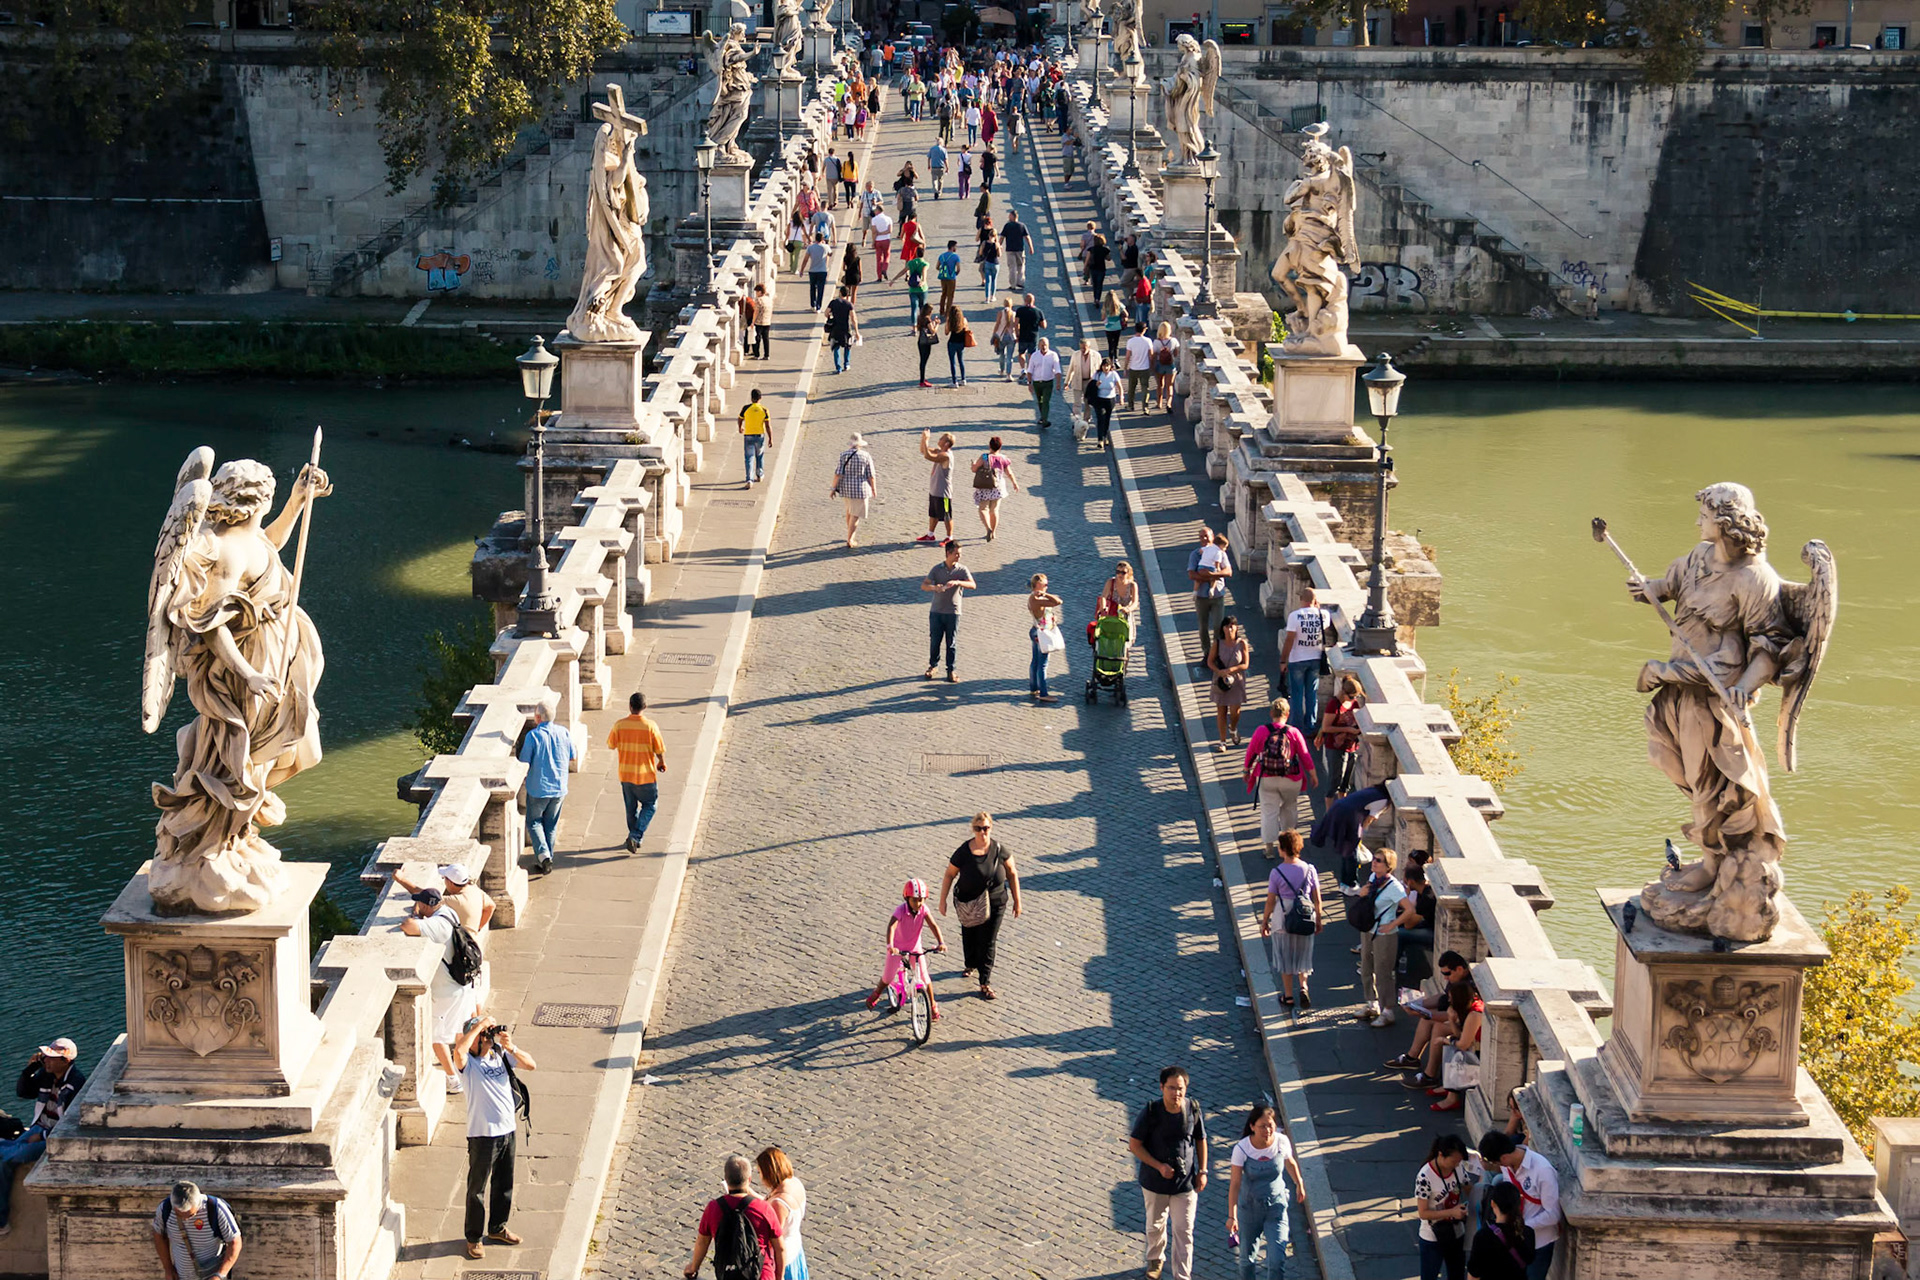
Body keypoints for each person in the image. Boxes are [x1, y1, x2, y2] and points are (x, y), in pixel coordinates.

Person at [452, 1013, 536, 1258]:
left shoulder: (499, 1055)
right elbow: (459, 1051)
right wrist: (478, 1026)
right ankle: (474, 1238)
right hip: (483, 1135)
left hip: (507, 1130)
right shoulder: (468, 1065)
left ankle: (498, 1228)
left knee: (504, 1183)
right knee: (477, 1189)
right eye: (484, 1035)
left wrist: (511, 1047)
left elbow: (531, 1065)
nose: (489, 1038)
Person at [400, 885, 481, 1090]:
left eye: (420, 903)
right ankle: (467, 1068)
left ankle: (453, 1080)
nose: (417, 905)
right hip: (462, 985)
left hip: (446, 992)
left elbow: (407, 926)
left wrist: (416, 916)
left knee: (436, 1037)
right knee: (460, 1030)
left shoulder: (436, 925)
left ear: (427, 906)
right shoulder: (448, 913)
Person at [1129, 1066, 1207, 1280]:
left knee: (1184, 1230)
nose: (1176, 1093)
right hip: (1155, 1183)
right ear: (1162, 1087)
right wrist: (1159, 1166)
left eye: (1180, 1088)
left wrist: (1203, 1170)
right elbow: (1135, 1145)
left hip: (1185, 1184)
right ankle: (1155, 1260)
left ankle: (1182, 1274)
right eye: (1171, 1088)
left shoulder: (1192, 1109)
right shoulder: (1151, 1112)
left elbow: (1201, 1140)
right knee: (1155, 1226)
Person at [0, 1037, 83, 1236]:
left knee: (8, 1157)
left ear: (65, 1061)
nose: (46, 1060)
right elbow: (23, 1092)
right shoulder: (47, 1075)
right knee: (8, 1154)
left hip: (54, 1139)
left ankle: (1, 1223)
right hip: (39, 1128)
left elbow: (73, 1124)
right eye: (45, 1056)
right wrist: (30, 1069)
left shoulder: (76, 1084)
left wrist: (43, 1135)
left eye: (51, 1057)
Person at [939, 812, 1022, 1000]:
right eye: (978, 829)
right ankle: (970, 963)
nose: (982, 832)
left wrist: (1017, 901)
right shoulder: (964, 851)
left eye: (986, 828)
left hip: (995, 902)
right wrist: (942, 900)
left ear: (991, 828)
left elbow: (1012, 873)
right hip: (969, 902)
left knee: (988, 940)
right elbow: (949, 874)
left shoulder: (999, 850)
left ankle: (985, 982)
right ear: (973, 829)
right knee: (970, 934)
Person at [1226, 1102, 1306, 1280]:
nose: (1267, 1130)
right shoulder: (1242, 1149)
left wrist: (1299, 1182)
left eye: (1270, 1125)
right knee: (1247, 1260)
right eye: (1262, 1126)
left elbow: (1290, 1162)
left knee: (1277, 1259)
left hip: (1276, 1207)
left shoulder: (1281, 1141)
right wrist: (1232, 1215)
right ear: (1252, 1126)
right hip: (1250, 1209)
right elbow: (1235, 1184)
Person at [684, 1155, 786, 1280]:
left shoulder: (713, 1207)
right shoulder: (763, 1208)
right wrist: (779, 1277)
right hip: (761, 1274)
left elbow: (703, 1242)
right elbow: (780, 1248)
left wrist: (693, 1268)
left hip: (729, 1274)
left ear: (726, 1180)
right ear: (749, 1179)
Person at [1242, 698, 1319, 860]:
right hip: (1290, 778)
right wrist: (1313, 775)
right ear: (1287, 714)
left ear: (1271, 713)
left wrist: (1246, 770)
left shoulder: (1261, 731)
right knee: (1289, 808)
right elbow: (1305, 756)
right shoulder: (1294, 732)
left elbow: (1251, 752)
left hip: (1267, 777)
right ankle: (1288, 845)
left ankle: (1269, 849)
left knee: (1269, 812)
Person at [1475, 1132, 1557, 1279]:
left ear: (1503, 1158)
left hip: (1538, 1242)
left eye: (1496, 1163)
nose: (1498, 1167)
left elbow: (1553, 1214)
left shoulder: (1542, 1170)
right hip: (1512, 1240)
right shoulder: (1507, 1166)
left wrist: (1522, 1226)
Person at [1259, 829, 1322, 1009]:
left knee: (1285, 956)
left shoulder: (1276, 872)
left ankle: (1288, 996)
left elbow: (1270, 901)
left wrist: (1265, 921)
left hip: (1283, 915)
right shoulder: (1310, 869)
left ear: (1282, 849)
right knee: (1303, 954)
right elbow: (1317, 899)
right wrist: (1318, 920)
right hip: (1305, 913)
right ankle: (1303, 986)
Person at [865, 878, 947, 1012]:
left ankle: (932, 1005)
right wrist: (890, 946)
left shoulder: (924, 910)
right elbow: (891, 927)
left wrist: (941, 942)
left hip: (915, 947)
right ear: (907, 898)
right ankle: (876, 994)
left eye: (921, 900)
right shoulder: (900, 910)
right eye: (914, 900)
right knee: (888, 977)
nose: (918, 904)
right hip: (897, 948)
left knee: (925, 978)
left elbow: (933, 925)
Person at [605, 690, 668, 852]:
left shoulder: (619, 725)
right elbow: (659, 749)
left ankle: (634, 837)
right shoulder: (651, 726)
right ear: (644, 707)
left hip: (626, 774)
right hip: (645, 775)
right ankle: (635, 836)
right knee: (650, 805)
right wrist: (661, 762)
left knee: (630, 808)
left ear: (630, 706)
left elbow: (611, 745)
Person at [1353, 847, 1409, 1026]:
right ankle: (1372, 1003)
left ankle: (1388, 1011)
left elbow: (1410, 909)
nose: (1374, 863)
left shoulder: (1394, 887)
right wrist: (1361, 893)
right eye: (1374, 859)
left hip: (1385, 934)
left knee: (1383, 971)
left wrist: (1392, 924)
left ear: (1388, 866)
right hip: (1368, 928)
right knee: (1366, 966)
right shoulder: (1373, 879)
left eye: (1378, 860)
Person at [517, 697, 573, 875]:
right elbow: (572, 755)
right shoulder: (564, 732)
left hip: (538, 788)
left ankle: (544, 856)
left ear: (538, 717)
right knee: (551, 825)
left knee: (534, 822)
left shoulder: (533, 736)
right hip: (559, 787)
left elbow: (524, 760)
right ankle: (547, 858)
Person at [151, 1181, 241, 1280]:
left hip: (212, 1274)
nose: (185, 1219)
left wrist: (220, 1275)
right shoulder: (165, 1209)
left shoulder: (216, 1209)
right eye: (179, 1215)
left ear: (198, 1204)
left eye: (190, 1215)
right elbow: (159, 1235)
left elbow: (235, 1242)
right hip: (181, 1275)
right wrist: (168, 1269)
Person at [1415, 1134, 1475, 1280]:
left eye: (1459, 1161)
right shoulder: (1425, 1176)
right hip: (1432, 1235)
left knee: (1457, 1274)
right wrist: (1451, 1212)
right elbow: (1423, 1213)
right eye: (1454, 1161)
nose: (1457, 1165)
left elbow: (1470, 1189)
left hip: (1456, 1232)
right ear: (1441, 1155)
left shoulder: (1458, 1169)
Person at [1310, 783, 1392, 888]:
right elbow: (1369, 819)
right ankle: (1351, 884)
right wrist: (1360, 834)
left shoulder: (1374, 790)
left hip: (1339, 807)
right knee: (1352, 851)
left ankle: (1345, 883)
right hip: (1349, 817)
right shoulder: (1383, 800)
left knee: (1347, 851)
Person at [1279, 586, 1332, 738]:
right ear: (1315, 600)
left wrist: (1283, 660)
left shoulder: (1295, 616)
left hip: (1297, 659)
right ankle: (1310, 727)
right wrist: (1317, 608)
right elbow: (1325, 626)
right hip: (1315, 658)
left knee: (1296, 695)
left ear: (1301, 599)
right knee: (1311, 694)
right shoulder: (1324, 615)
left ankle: (1296, 728)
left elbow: (1289, 640)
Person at [921, 538, 976, 682]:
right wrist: (935, 588)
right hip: (936, 611)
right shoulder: (937, 569)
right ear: (948, 553)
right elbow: (924, 585)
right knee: (935, 641)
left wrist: (958, 582)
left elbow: (972, 585)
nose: (959, 556)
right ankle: (933, 666)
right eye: (956, 554)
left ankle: (951, 670)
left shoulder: (962, 570)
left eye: (960, 554)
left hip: (953, 612)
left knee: (951, 643)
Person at [756, 1147, 809, 1280]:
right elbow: (767, 1200)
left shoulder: (778, 1204)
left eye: (760, 1172)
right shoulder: (795, 1183)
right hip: (796, 1249)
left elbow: (773, 1238)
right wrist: (748, 1192)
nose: (760, 1177)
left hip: (784, 1260)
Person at [1467, 1181, 1536, 1280]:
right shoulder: (1528, 1233)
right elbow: (1529, 1260)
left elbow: (1474, 1275)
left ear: (1492, 1204)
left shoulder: (1483, 1236)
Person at [1316, 674, 1364, 800]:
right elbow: (1326, 727)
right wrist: (1347, 729)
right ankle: (1330, 811)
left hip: (1351, 746)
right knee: (1334, 783)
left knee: (1345, 785)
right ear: (1344, 692)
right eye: (1352, 696)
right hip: (1335, 748)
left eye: (1356, 696)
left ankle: (1342, 808)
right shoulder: (1334, 704)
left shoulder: (1354, 703)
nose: (1354, 699)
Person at [1186, 523, 1230, 659]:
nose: (1204, 539)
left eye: (1206, 536)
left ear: (1212, 536)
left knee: (1218, 626)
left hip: (1217, 596)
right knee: (1203, 627)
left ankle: (1216, 653)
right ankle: (1207, 653)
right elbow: (1191, 574)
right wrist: (1213, 576)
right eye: (1201, 537)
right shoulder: (1195, 554)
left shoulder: (1220, 552)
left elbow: (1228, 572)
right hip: (1201, 597)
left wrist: (1211, 575)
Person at [1208, 615, 1251, 750]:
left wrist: (1231, 670)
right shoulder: (1217, 643)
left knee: (1234, 712)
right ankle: (1222, 742)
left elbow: (1245, 664)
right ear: (1223, 628)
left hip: (1236, 681)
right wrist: (1219, 671)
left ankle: (1233, 728)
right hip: (1221, 681)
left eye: (1232, 626)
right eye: (1227, 626)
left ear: (1236, 628)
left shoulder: (1242, 643)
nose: (1229, 629)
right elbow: (1210, 661)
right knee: (1221, 711)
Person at [831, 430, 876, 548]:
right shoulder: (866, 456)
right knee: (855, 515)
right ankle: (850, 539)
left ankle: (850, 534)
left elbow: (838, 473)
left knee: (849, 511)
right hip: (860, 489)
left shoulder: (843, 455)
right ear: (860, 444)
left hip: (846, 488)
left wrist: (833, 488)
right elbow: (871, 475)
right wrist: (874, 489)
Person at [970, 435, 1017, 540]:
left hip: (985, 486)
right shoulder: (1003, 458)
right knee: (994, 510)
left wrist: (973, 465)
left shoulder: (984, 457)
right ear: (1000, 447)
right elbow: (1009, 473)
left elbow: (974, 469)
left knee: (983, 509)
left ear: (989, 446)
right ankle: (994, 532)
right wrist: (1014, 483)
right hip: (998, 487)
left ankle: (988, 528)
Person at [1027, 572, 1064, 701]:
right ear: (1037, 585)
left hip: (1036, 630)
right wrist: (1045, 594)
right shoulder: (1036, 599)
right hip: (1042, 634)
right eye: (1044, 585)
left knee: (1035, 661)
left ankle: (1034, 688)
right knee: (1042, 664)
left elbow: (1045, 612)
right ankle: (1043, 694)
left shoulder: (1033, 598)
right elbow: (1058, 601)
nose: (1046, 587)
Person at [737, 386, 772, 488]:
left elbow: (740, 418)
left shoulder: (746, 408)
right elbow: (768, 426)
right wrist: (770, 438)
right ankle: (759, 475)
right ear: (760, 398)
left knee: (749, 458)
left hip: (748, 435)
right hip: (760, 436)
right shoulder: (764, 410)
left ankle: (749, 479)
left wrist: (740, 427)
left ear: (751, 398)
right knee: (759, 456)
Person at [1065, 337, 1099, 436]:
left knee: (1088, 403)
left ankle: (1086, 421)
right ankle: (1077, 421)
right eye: (1081, 348)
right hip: (1078, 381)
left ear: (1089, 347)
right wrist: (1067, 382)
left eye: (1085, 348)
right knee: (1077, 403)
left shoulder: (1096, 355)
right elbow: (1071, 369)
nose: (1083, 350)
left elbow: (1099, 370)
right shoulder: (1075, 355)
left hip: (1090, 382)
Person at [1026, 336, 1060, 428]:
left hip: (1048, 383)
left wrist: (1058, 383)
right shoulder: (1034, 356)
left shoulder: (1053, 355)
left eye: (1045, 345)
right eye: (1042, 345)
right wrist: (1029, 383)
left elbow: (1057, 370)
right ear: (1038, 345)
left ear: (1048, 345)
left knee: (1045, 401)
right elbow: (1030, 370)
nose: (1044, 347)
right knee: (1040, 401)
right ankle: (1042, 416)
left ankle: (1045, 420)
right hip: (1037, 383)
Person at [825, 284, 858, 375]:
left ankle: (838, 367)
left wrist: (830, 316)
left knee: (836, 347)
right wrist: (857, 332)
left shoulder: (833, 302)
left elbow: (826, 313)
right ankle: (846, 364)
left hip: (835, 328)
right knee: (848, 346)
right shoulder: (849, 305)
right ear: (847, 295)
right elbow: (853, 319)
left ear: (840, 292)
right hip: (846, 328)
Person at [1013, 291, 1046, 376]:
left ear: (1025, 300)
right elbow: (1044, 325)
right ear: (1033, 301)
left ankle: (1023, 369)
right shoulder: (1038, 311)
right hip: (1033, 336)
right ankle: (1029, 369)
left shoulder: (1020, 310)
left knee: (1021, 353)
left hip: (1023, 335)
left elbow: (1016, 323)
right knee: (1032, 354)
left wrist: (1017, 334)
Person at [1123, 321, 1153, 411]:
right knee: (1145, 388)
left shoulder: (1130, 341)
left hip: (1133, 367)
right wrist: (1152, 366)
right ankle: (1145, 407)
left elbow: (1128, 356)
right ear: (1144, 330)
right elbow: (1151, 355)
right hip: (1145, 368)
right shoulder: (1148, 341)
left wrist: (1125, 368)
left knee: (1131, 388)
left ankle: (1130, 405)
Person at [943, 302, 973, 387]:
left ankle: (954, 381)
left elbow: (946, 332)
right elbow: (966, 330)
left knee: (952, 362)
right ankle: (963, 379)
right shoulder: (964, 320)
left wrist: (947, 322)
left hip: (952, 342)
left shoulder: (950, 321)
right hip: (961, 343)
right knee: (961, 361)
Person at [990, 296, 1019, 380]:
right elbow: (1016, 326)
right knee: (1010, 357)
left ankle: (1002, 370)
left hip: (1001, 336)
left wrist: (994, 334)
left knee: (1002, 355)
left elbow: (997, 324)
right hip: (1011, 336)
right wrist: (1017, 335)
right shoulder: (1014, 314)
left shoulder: (1000, 313)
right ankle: (1009, 374)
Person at [1152, 321, 1179, 409]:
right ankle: (1168, 403)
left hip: (1160, 364)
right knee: (1169, 386)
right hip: (1170, 365)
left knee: (1160, 385)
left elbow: (1154, 355)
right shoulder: (1173, 341)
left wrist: (1152, 365)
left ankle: (1159, 403)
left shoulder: (1156, 342)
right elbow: (1176, 354)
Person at [1002, 210, 1031, 290]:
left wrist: (999, 246)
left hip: (1010, 250)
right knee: (1021, 266)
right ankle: (1020, 282)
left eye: (1009, 215)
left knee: (1012, 267)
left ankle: (1013, 285)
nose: (1008, 217)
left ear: (1012, 216)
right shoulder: (1022, 226)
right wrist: (1031, 247)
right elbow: (1027, 237)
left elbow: (1002, 237)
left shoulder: (1007, 226)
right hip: (1020, 249)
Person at [865, 204, 893, 281]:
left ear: (878, 210)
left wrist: (873, 242)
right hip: (886, 239)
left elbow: (874, 232)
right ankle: (884, 268)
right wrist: (883, 233)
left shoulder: (874, 220)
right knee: (887, 256)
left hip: (878, 240)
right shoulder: (888, 219)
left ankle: (879, 276)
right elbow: (890, 230)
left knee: (879, 259)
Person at [805, 232, 832, 311]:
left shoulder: (810, 247)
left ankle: (813, 305)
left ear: (815, 238)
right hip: (822, 270)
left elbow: (805, 259)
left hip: (812, 270)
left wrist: (802, 270)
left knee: (812, 288)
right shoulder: (826, 247)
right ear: (822, 239)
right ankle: (818, 307)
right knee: (821, 289)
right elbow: (830, 254)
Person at [936, 239, 963, 315]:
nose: (956, 248)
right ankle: (948, 312)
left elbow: (937, 267)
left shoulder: (941, 256)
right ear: (952, 247)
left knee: (943, 293)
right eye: (956, 246)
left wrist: (943, 271)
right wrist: (955, 273)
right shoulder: (955, 256)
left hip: (943, 277)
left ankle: (941, 310)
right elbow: (958, 269)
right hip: (951, 278)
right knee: (950, 295)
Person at [1085, 230, 1111, 297]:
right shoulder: (1105, 249)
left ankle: (1095, 297)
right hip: (1101, 268)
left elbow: (1087, 259)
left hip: (1093, 268)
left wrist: (1085, 267)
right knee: (1100, 284)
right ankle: (1098, 298)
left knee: (1095, 284)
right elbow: (1109, 259)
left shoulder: (1091, 249)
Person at [751, 283, 772, 360]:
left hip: (759, 321)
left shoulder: (758, 300)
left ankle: (757, 354)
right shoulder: (768, 299)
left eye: (756, 292)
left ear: (760, 291)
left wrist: (753, 322)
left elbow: (756, 311)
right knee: (766, 339)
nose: (756, 293)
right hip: (767, 321)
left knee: (757, 338)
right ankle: (767, 355)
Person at [978, 227, 1001, 299]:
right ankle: (992, 296)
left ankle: (987, 298)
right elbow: (999, 255)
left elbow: (980, 253)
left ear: (989, 235)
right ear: (995, 236)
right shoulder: (996, 244)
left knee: (987, 281)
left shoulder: (984, 243)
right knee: (994, 280)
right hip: (995, 263)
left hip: (987, 262)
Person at [838, 242, 863, 307]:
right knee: (854, 293)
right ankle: (852, 306)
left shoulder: (845, 258)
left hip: (848, 275)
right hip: (856, 276)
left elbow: (843, 268)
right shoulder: (858, 258)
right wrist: (861, 277)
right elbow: (860, 269)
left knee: (847, 292)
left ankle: (846, 304)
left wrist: (847, 270)